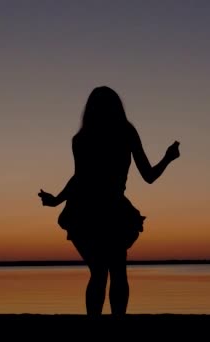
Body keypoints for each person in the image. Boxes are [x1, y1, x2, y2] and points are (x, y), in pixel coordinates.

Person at [38, 86, 180, 315]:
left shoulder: (81, 139)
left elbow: (79, 179)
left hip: (85, 211)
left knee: (99, 272)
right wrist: (168, 158)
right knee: (116, 269)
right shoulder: (125, 132)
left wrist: (56, 200)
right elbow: (149, 176)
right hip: (110, 210)